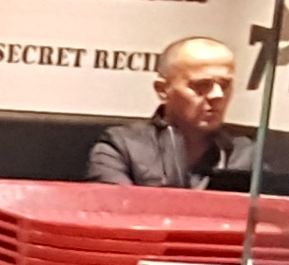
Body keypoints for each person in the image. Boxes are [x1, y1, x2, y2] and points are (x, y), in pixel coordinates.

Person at [85, 35, 255, 187]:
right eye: (201, 85)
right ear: (162, 90)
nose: (217, 95)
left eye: (225, 85)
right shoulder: (121, 147)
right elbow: (114, 209)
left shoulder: (249, 155)